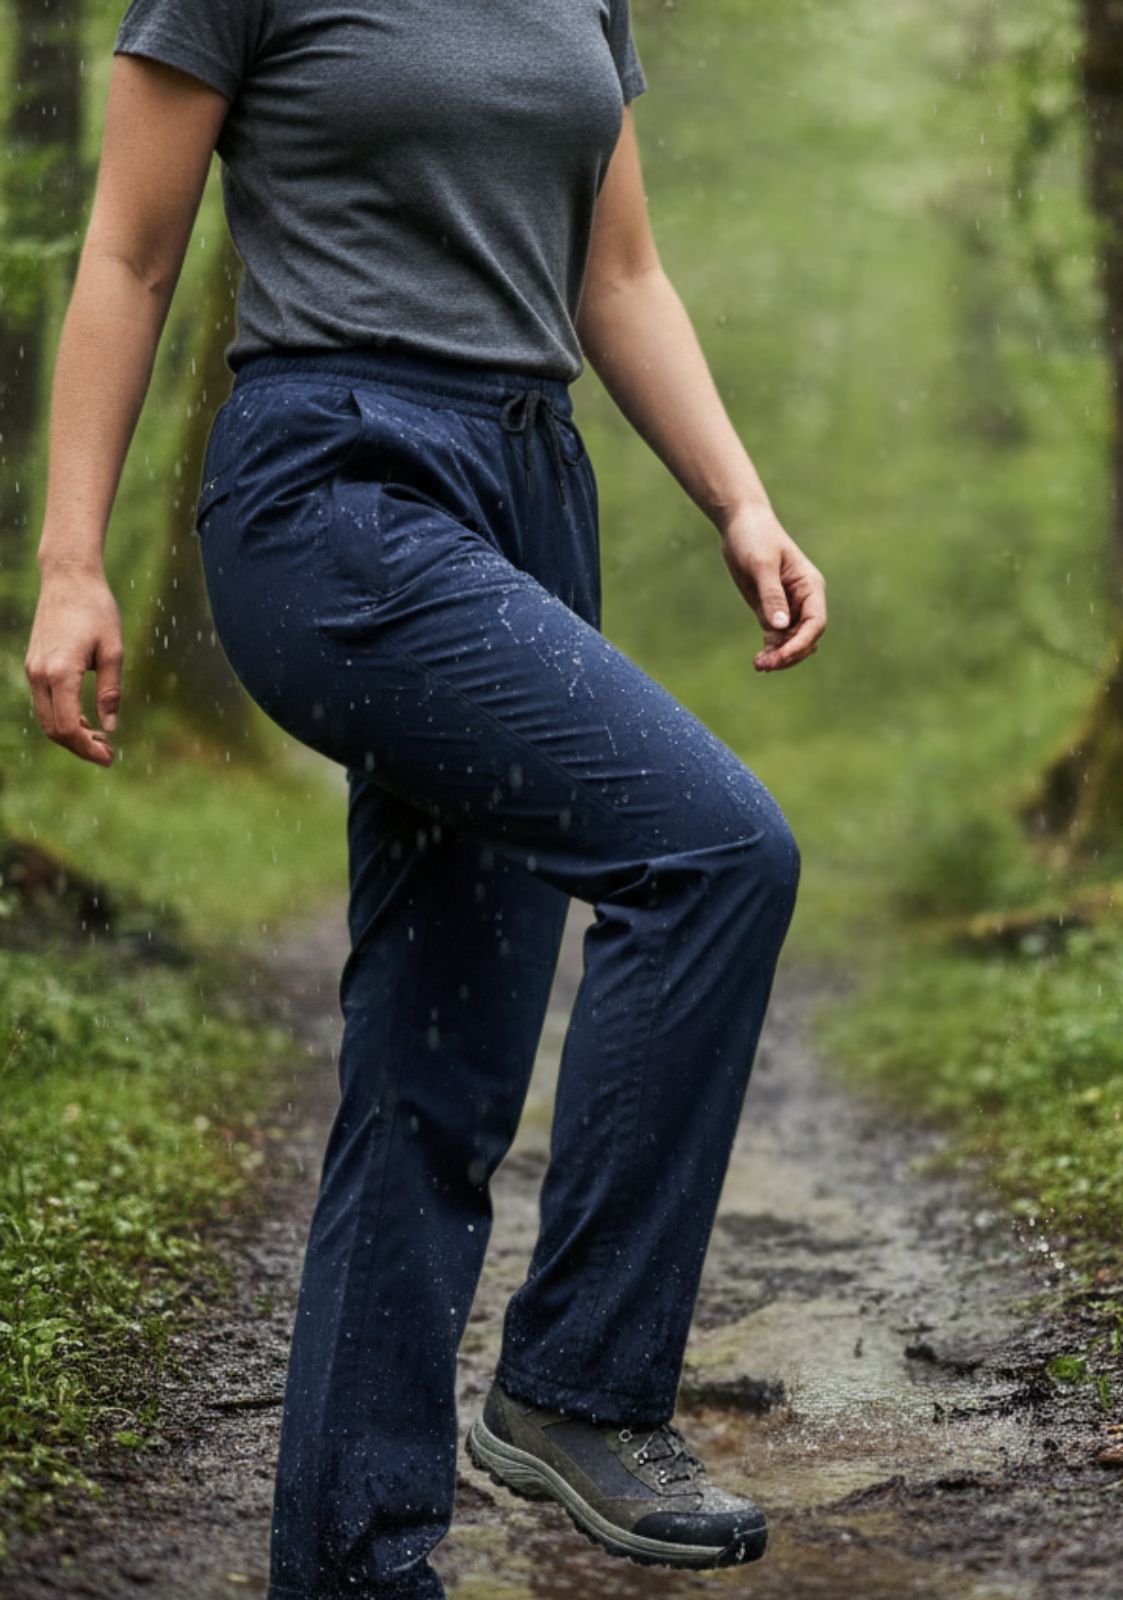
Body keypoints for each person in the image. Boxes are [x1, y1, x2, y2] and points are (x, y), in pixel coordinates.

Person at [23, 2, 828, 1595]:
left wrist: (741, 499)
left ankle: (355, 1558)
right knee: (717, 849)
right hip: (332, 481)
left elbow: (618, 277)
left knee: (431, 1078)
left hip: (532, 486)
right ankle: (578, 1387)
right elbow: (127, 254)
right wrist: (67, 561)